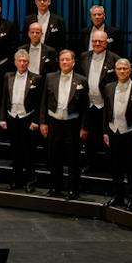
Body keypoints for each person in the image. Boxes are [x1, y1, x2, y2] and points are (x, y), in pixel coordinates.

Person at [40, 50, 88, 198]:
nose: (65, 62)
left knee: (73, 159)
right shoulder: (50, 77)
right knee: (54, 157)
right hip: (54, 122)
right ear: (59, 61)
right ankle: (55, 187)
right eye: (62, 60)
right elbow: (43, 101)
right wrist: (43, 122)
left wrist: (84, 127)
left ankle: (73, 189)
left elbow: (85, 107)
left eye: (67, 59)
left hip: (72, 124)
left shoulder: (81, 80)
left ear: (73, 62)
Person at [0, 48, 42, 190]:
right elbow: (3, 98)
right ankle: (16, 181)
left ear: (28, 62)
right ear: (15, 62)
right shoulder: (8, 76)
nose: (22, 63)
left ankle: (30, 181)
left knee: (28, 152)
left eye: (25, 61)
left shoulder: (36, 78)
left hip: (27, 118)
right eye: (19, 61)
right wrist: (2, 118)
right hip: (12, 117)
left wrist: (36, 121)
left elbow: (39, 103)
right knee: (15, 152)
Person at [102, 57, 132, 208]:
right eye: (119, 68)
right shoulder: (108, 87)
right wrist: (105, 131)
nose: (122, 71)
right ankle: (118, 196)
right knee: (115, 168)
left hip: (131, 133)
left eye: (125, 68)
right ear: (115, 71)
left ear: (130, 70)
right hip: (113, 132)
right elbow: (106, 111)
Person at [80, 29, 122, 174]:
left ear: (106, 42)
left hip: (106, 105)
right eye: (94, 41)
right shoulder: (84, 56)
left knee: (108, 137)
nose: (97, 43)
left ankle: (111, 167)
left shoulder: (115, 59)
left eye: (100, 41)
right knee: (90, 138)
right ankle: (90, 164)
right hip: (89, 104)